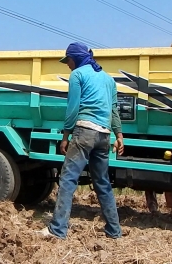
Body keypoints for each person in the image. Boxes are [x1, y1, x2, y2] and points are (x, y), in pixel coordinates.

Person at [38, 42, 124, 239]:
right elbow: (114, 110)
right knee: (102, 183)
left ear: (75, 57)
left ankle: (57, 229)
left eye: (68, 60)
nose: (67, 64)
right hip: (104, 135)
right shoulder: (108, 79)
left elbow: (73, 108)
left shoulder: (77, 75)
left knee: (68, 180)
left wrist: (65, 135)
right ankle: (114, 231)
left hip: (84, 132)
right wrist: (119, 135)